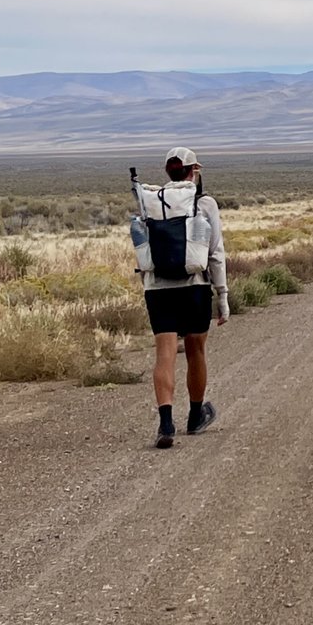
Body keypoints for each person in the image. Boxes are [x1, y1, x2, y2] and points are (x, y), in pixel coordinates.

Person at [131, 146, 227, 449]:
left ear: (168, 172)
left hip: (158, 288)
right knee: (196, 350)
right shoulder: (204, 203)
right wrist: (222, 296)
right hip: (195, 286)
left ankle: (166, 423)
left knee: (165, 353)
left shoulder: (152, 202)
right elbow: (216, 253)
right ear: (193, 170)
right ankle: (195, 416)